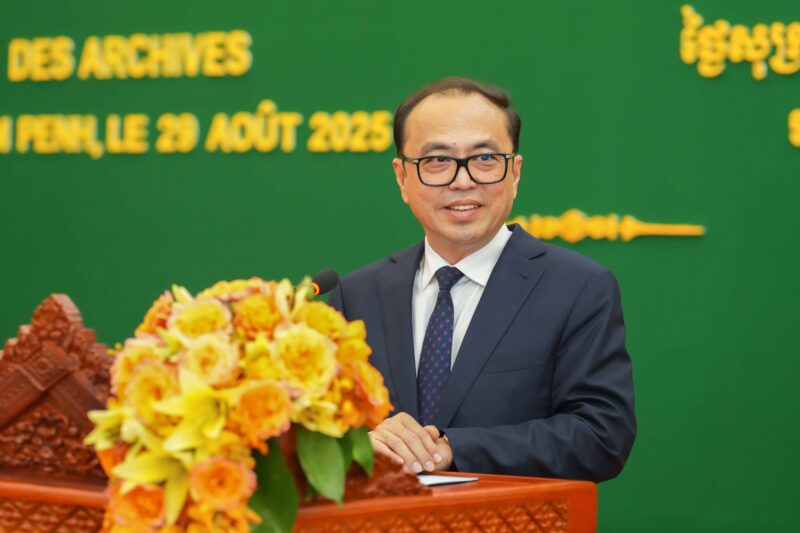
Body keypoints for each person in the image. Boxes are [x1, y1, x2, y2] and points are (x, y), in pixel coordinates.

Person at [327, 77, 635, 482]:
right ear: (402, 178)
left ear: (515, 173)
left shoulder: (578, 289)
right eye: (437, 160)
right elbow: (319, 430)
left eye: (485, 158)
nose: (463, 180)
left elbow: (600, 436)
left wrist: (453, 448)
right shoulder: (355, 296)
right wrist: (361, 445)